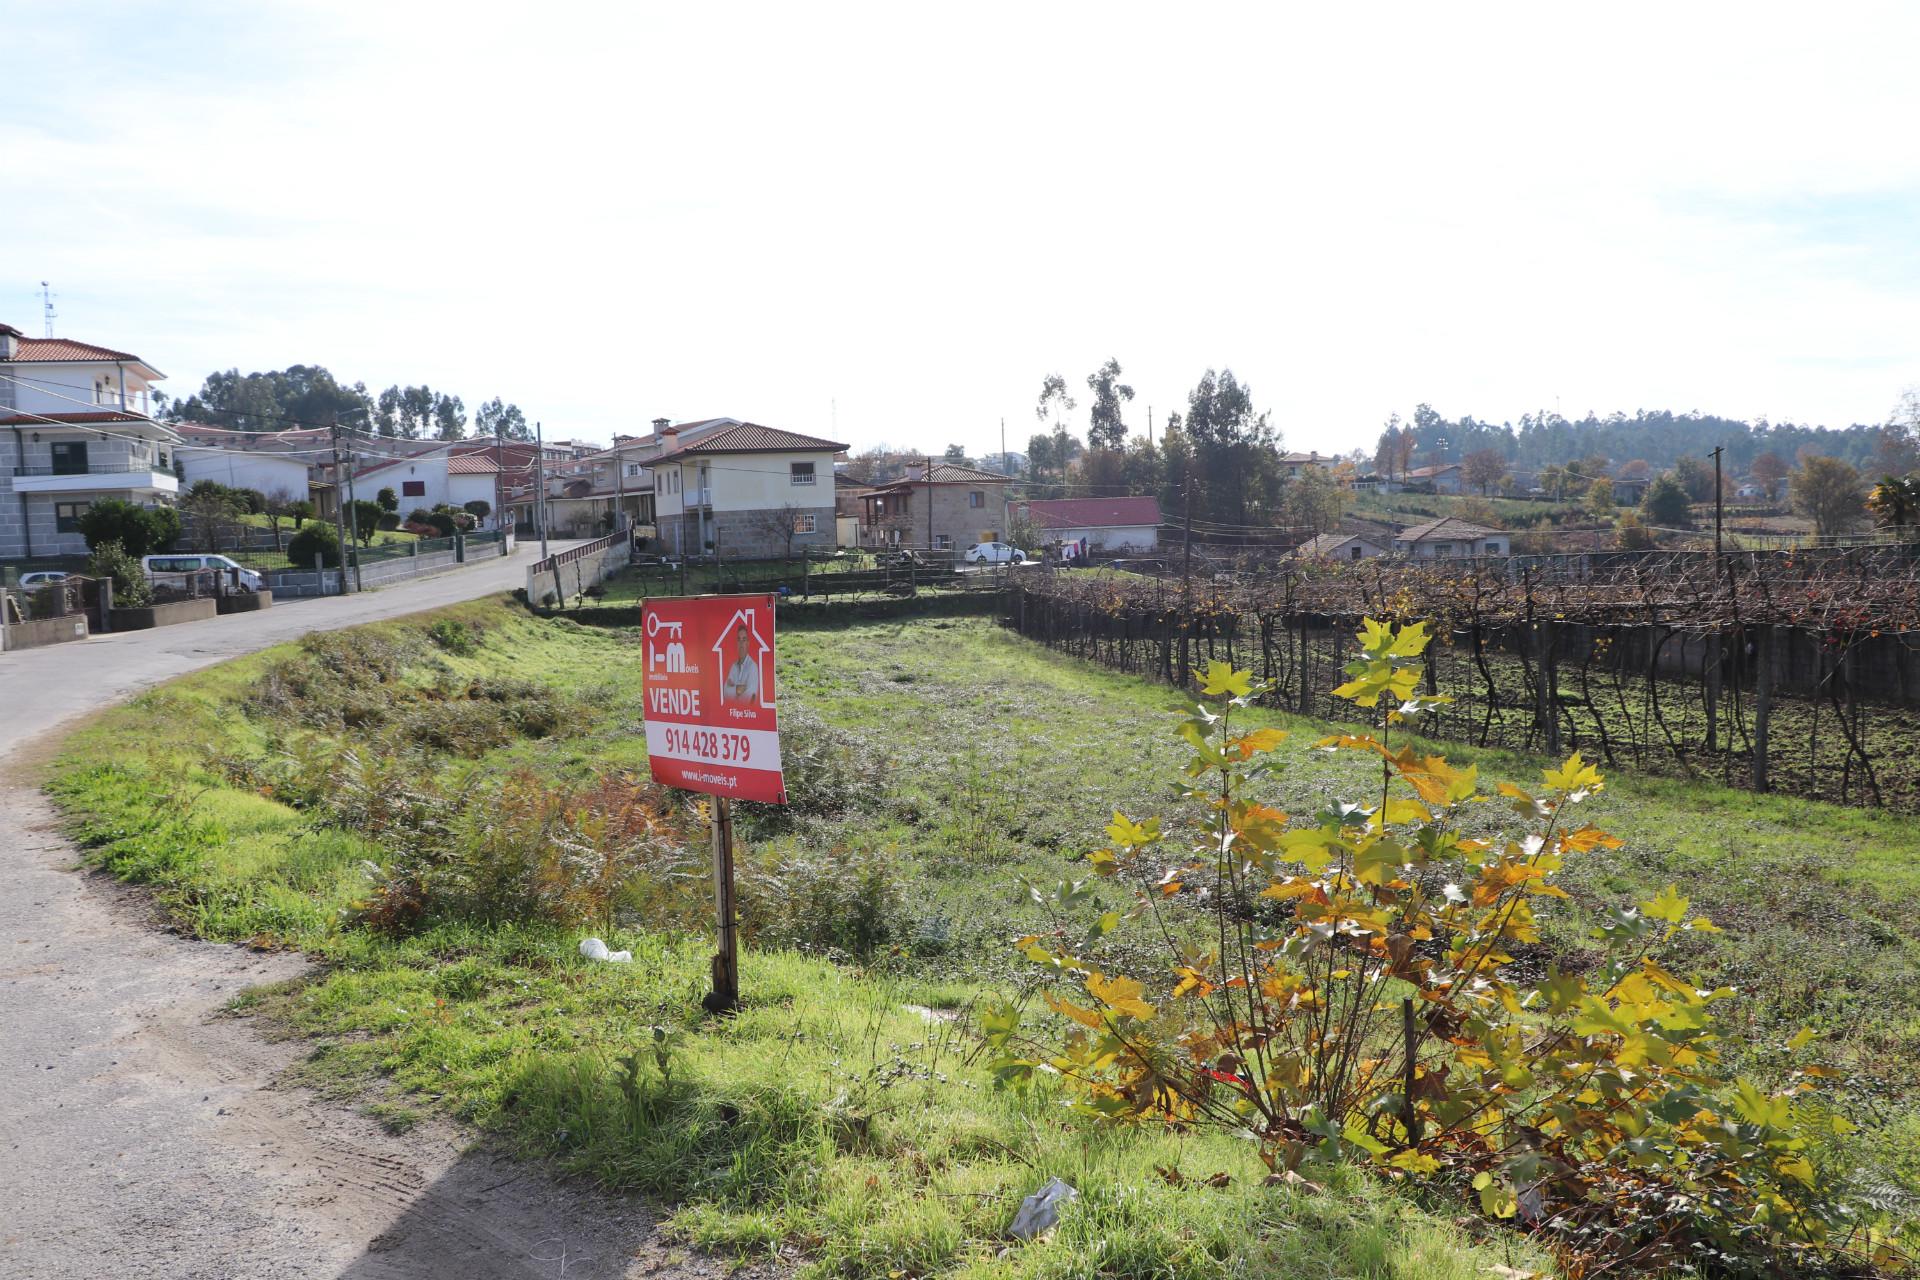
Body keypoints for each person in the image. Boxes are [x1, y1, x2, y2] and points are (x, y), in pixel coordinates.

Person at [722, 624, 760, 703]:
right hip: (732, 713)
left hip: (747, 714)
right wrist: (738, 689)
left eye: (744, 640)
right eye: (739, 640)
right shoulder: (734, 666)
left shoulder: (753, 667)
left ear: (748, 643)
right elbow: (725, 692)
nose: (741, 644)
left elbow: (750, 697)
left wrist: (732, 689)